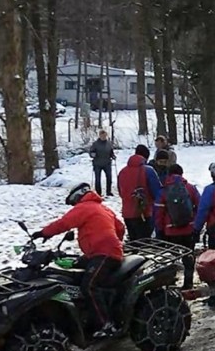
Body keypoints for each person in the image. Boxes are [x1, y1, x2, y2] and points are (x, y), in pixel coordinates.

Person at [31, 183, 125, 335]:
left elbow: (64, 223)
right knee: (74, 268)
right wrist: (116, 242)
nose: (73, 205)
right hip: (100, 252)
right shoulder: (103, 208)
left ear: (77, 196)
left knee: (88, 286)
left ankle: (106, 324)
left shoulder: (85, 207)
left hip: (104, 253)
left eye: (73, 202)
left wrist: (44, 233)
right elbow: (120, 228)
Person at [154, 164, 201, 289]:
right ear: (182, 174)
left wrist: (159, 230)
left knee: (171, 258)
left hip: (170, 231)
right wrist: (194, 223)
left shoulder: (163, 190)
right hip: (188, 230)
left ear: (169, 174)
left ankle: (170, 283)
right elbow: (200, 206)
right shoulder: (190, 188)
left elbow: (158, 213)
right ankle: (188, 283)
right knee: (188, 257)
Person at [117, 144, 162, 240]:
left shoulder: (122, 172)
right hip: (144, 213)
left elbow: (121, 192)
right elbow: (157, 193)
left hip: (127, 213)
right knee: (144, 243)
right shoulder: (148, 170)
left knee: (134, 242)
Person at [89, 129, 116, 196]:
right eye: (102, 136)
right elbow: (91, 152)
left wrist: (113, 156)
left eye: (105, 135)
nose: (104, 137)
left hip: (107, 163)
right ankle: (98, 193)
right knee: (98, 179)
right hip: (97, 163)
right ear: (100, 136)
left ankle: (108, 191)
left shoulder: (109, 143)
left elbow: (111, 152)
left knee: (109, 177)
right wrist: (92, 154)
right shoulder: (95, 144)